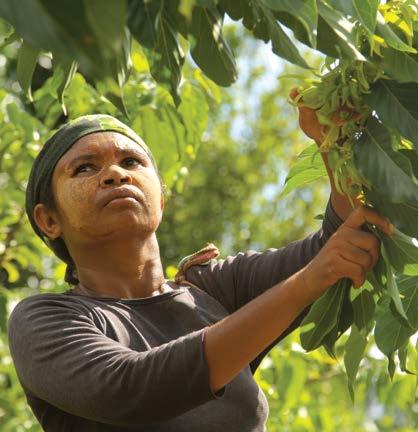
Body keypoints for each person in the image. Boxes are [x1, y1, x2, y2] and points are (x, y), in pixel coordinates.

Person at [7, 92, 393, 431]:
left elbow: (343, 243)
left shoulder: (213, 291)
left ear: (161, 197)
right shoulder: (44, 319)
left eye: (131, 162)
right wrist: (309, 279)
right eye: (84, 168)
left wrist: (335, 141)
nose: (114, 174)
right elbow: (132, 388)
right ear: (49, 220)